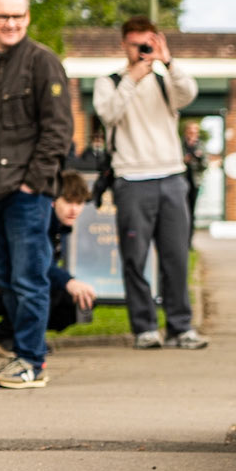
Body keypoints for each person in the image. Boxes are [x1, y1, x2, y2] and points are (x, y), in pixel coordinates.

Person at [0, 0, 74, 388]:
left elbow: (58, 130)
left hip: (23, 195)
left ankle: (33, 361)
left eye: (18, 15)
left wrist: (33, 184)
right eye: (3, 16)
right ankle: (21, 353)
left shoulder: (41, 61)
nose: (11, 23)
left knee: (29, 279)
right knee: (4, 280)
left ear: (28, 17)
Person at [93, 18, 208, 350]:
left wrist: (167, 61)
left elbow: (188, 94)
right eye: (136, 45)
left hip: (171, 176)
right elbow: (108, 114)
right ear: (124, 44)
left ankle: (180, 327)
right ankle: (144, 328)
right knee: (135, 258)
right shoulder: (110, 82)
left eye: (148, 44)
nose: (142, 51)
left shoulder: (164, 79)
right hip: (131, 179)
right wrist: (132, 78)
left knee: (176, 257)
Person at [0, 170, 95, 355]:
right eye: (68, 202)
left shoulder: (58, 227)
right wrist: (68, 282)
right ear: (54, 200)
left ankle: (29, 337)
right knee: (46, 288)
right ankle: (4, 336)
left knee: (76, 300)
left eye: (79, 203)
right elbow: (35, 264)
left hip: (16, 280)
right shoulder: (38, 222)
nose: (74, 210)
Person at [181, 118, 210, 238]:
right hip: (181, 182)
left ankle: (189, 239)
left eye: (195, 132)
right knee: (181, 211)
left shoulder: (200, 146)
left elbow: (205, 165)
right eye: (191, 132)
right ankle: (181, 238)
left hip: (195, 183)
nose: (193, 134)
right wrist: (184, 160)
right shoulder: (180, 145)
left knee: (192, 211)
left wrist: (199, 158)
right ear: (186, 132)